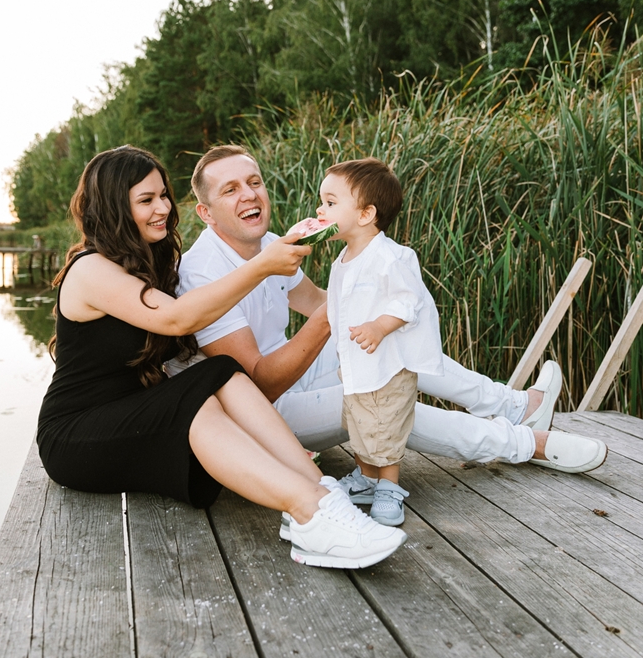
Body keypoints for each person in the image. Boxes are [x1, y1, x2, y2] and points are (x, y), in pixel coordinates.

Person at [36, 146, 407, 569]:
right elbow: (178, 318)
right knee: (191, 401)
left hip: (130, 414)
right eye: (145, 201)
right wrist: (263, 265)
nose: (162, 209)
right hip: (75, 434)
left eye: (163, 196)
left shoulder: (150, 261)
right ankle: (307, 510)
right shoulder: (91, 269)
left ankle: (322, 499)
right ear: (114, 208)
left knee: (222, 370)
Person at [175, 145, 607, 505]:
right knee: (381, 401)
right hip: (264, 412)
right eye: (230, 190)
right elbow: (260, 384)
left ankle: (515, 407)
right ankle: (528, 445)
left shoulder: (270, 244)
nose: (249, 195)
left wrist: (377, 308)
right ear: (206, 213)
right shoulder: (201, 273)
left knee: (392, 339)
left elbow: (317, 304)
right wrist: (343, 311)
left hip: (295, 377)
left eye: (254, 182)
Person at [316, 158, 443, 526]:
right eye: (322, 201)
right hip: (358, 366)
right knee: (359, 424)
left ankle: (388, 487)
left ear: (366, 213)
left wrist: (379, 327)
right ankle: (366, 479)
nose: (321, 209)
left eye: (330, 202)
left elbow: (409, 301)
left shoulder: (391, 257)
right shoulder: (343, 259)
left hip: (387, 368)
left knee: (385, 427)